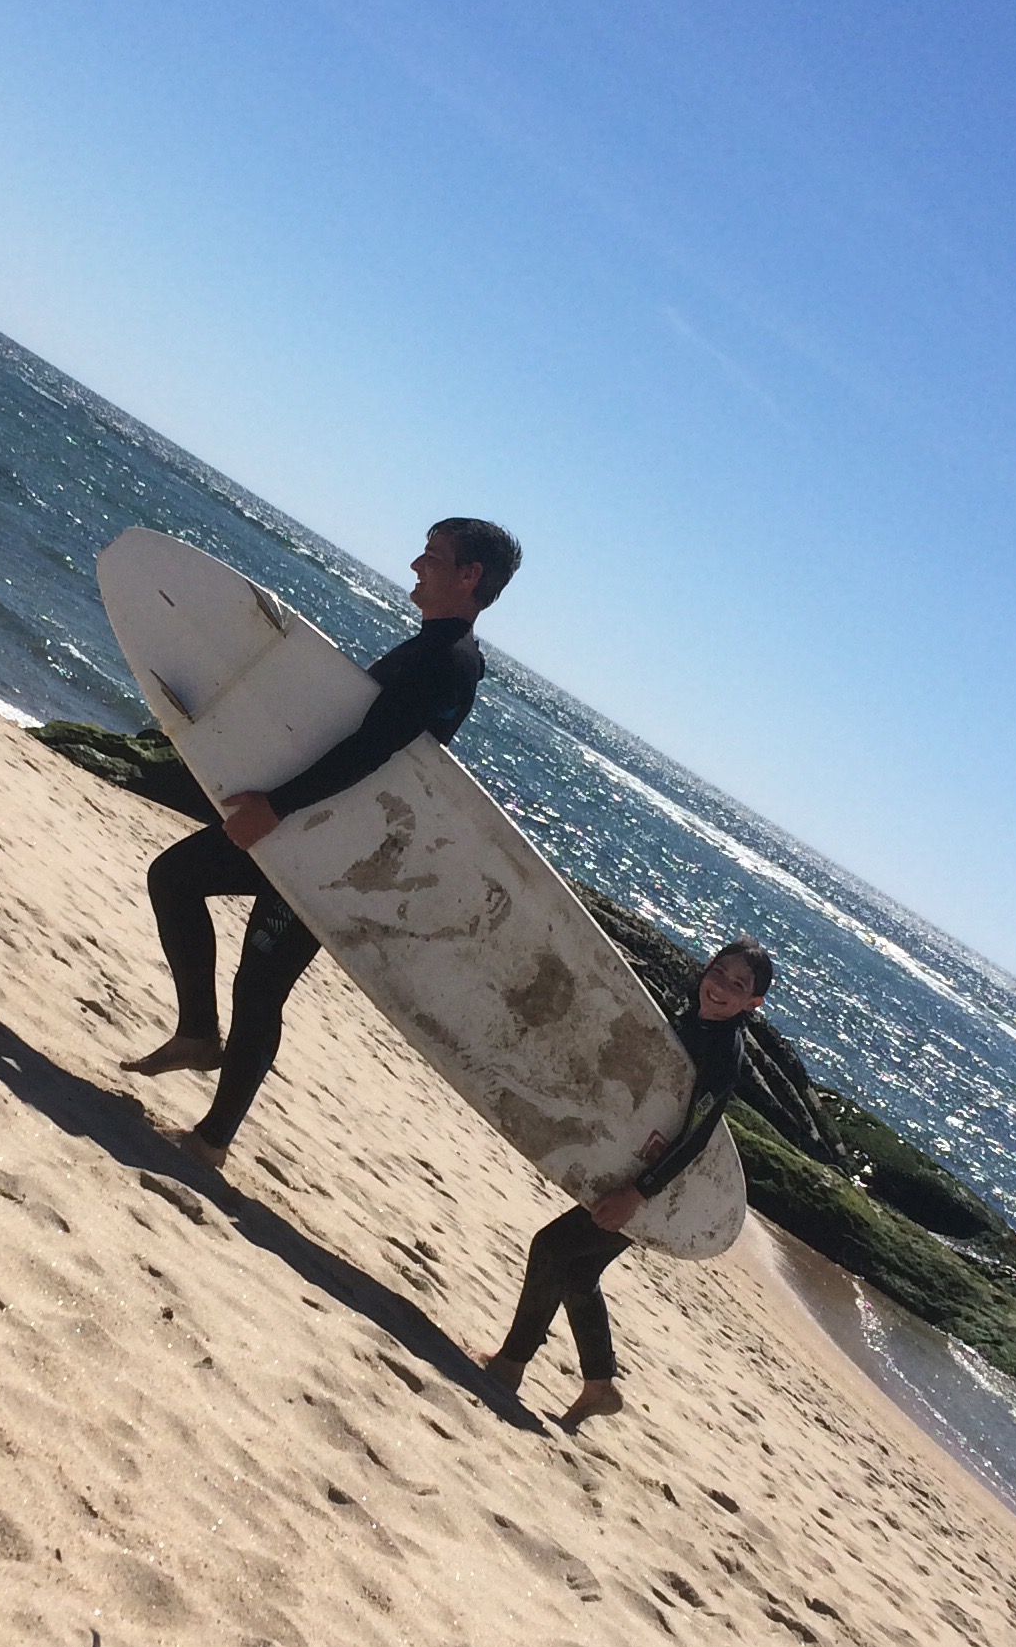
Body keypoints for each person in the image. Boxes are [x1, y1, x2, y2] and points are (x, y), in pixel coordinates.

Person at [123, 517, 522, 1165]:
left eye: (434, 555)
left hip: (332, 844)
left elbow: (373, 750)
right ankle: (197, 1036)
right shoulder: (435, 650)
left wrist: (275, 807)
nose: (417, 564)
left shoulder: (448, 662)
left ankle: (212, 1137)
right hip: (316, 827)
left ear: (469, 575)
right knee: (179, 883)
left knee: (256, 982)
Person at [483, 938, 774, 1424]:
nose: (721, 986)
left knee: (551, 1248)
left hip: (658, 1188)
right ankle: (599, 1387)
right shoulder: (694, 1020)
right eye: (719, 971)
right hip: (635, 1171)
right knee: (578, 1274)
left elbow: (697, 1137)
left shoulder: (724, 1052)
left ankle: (509, 1366)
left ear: (753, 1003)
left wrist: (638, 1194)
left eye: (738, 985)